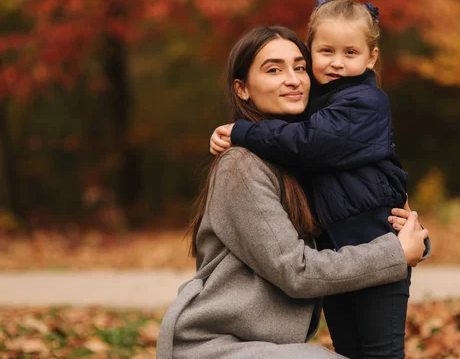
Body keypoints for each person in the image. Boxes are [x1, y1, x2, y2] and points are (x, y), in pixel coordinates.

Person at [157, 26, 429, 359]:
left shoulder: (306, 163)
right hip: (217, 347)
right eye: (274, 69)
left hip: (271, 349)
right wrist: (394, 254)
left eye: (300, 67)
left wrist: (407, 230)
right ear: (242, 90)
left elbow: (353, 225)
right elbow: (296, 272)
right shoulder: (242, 166)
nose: (293, 79)